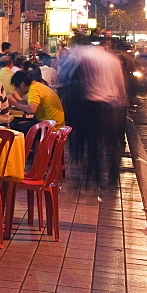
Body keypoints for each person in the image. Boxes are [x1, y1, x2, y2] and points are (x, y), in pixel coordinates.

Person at [58, 39, 127, 188]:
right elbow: (120, 84)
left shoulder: (85, 57)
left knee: (93, 140)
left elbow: (71, 78)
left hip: (91, 103)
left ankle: (94, 172)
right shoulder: (113, 59)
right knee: (110, 141)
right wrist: (121, 101)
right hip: (111, 104)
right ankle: (113, 174)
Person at [8, 65, 65, 133]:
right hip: (51, 123)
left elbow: (31, 110)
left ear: (22, 84)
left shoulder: (34, 89)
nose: (16, 90)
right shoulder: (36, 85)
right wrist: (17, 99)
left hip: (50, 126)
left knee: (13, 126)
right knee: (15, 121)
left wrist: (13, 102)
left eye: (16, 87)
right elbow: (29, 105)